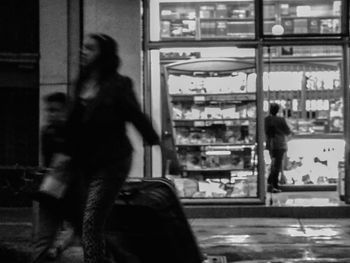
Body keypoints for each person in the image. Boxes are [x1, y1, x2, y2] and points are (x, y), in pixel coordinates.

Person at [63, 33, 160, 263]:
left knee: (91, 222)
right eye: (83, 47)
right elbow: (73, 124)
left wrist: (157, 143)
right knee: (88, 220)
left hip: (112, 162)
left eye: (90, 48)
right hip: (86, 162)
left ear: (103, 54)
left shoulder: (118, 84)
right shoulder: (81, 83)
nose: (83, 52)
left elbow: (135, 115)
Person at [32, 92, 76, 262]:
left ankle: (57, 248)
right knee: (42, 239)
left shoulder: (75, 132)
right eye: (48, 110)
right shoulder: (48, 132)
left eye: (55, 110)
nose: (50, 114)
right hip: (53, 191)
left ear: (66, 111)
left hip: (71, 192)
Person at [265, 103, 291, 193]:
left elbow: (266, 131)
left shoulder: (266, 120)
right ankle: (273, 185)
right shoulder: (281, 120)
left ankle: (269, 182)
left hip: (271, 145)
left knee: (273, 163)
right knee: (277, 165)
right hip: (280, 144)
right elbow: (288, 131)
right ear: (278, 110)